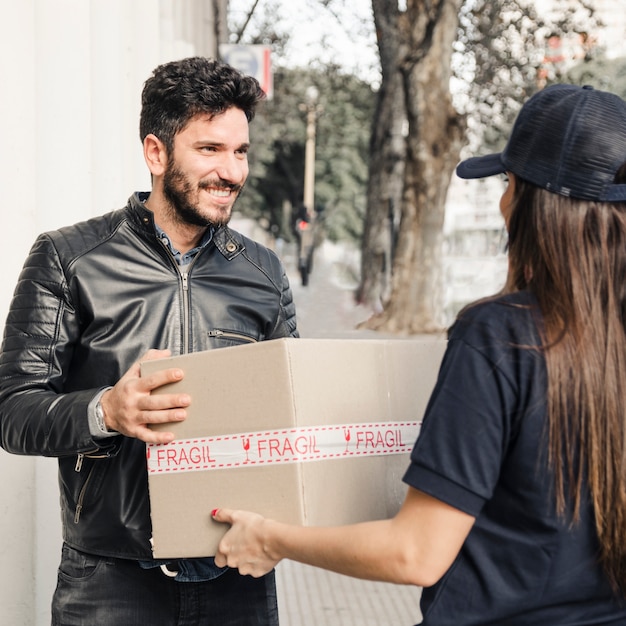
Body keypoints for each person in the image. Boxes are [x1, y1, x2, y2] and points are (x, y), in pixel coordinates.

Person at [211, 84, 626, 625]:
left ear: (526, 201)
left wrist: (270, 538)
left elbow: (417, 552)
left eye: (508, 182)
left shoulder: (500, 337)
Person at [0, 56, 298, 625]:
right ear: (156, 153)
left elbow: (291, 416)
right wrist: (105, 410)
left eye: (240, 152)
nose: (232, 172)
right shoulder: (68, 259)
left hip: (238, 571)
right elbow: (12, 410)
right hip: (108, 582)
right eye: (210, 149)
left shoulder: (264, 274)